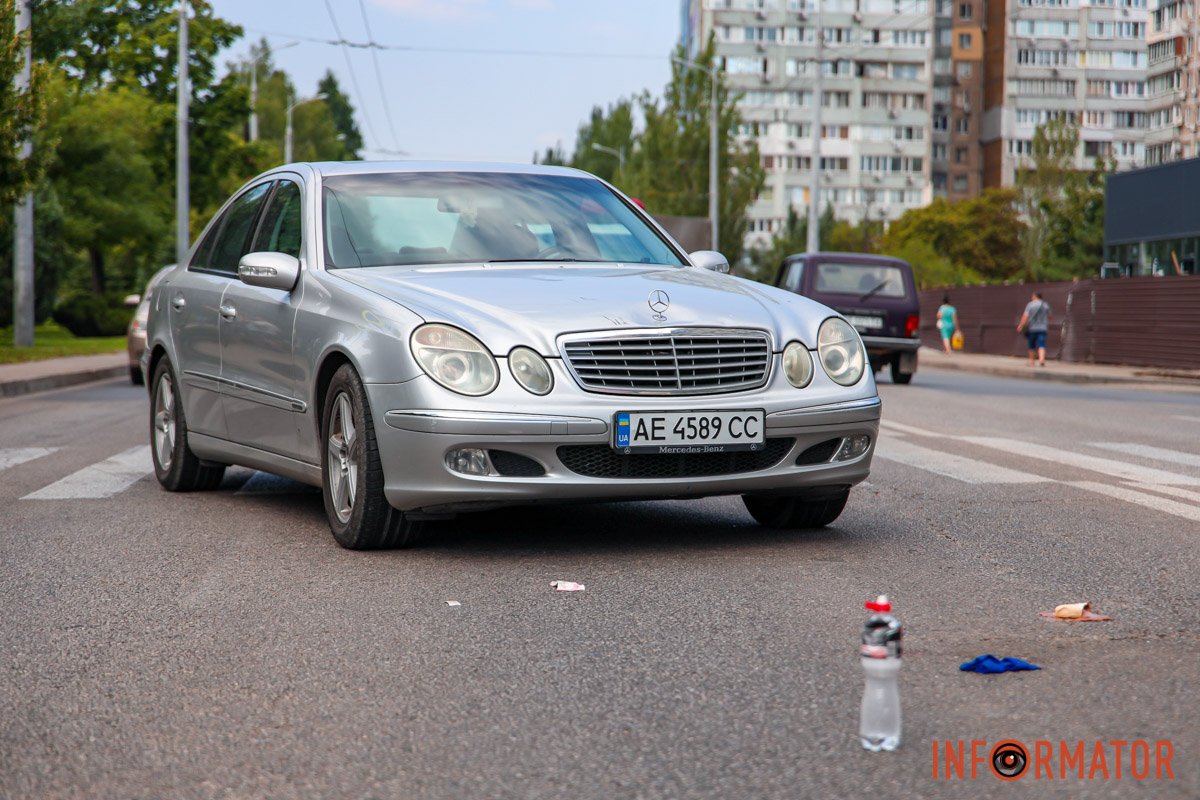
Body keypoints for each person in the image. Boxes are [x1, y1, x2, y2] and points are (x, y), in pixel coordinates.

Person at [1017, 291, 1051, 367]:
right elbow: (1050, 316)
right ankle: (1041, 360)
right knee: (1042, 344)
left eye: (1032, 296)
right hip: (1043, 328)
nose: (1031, 297)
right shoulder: (1045, 305)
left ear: (1035, 296)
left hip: (1032, 328)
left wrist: (1021, 325)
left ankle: (1032, 362)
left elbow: (1025, 316)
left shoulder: (1030, 305)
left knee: (1031, 345)